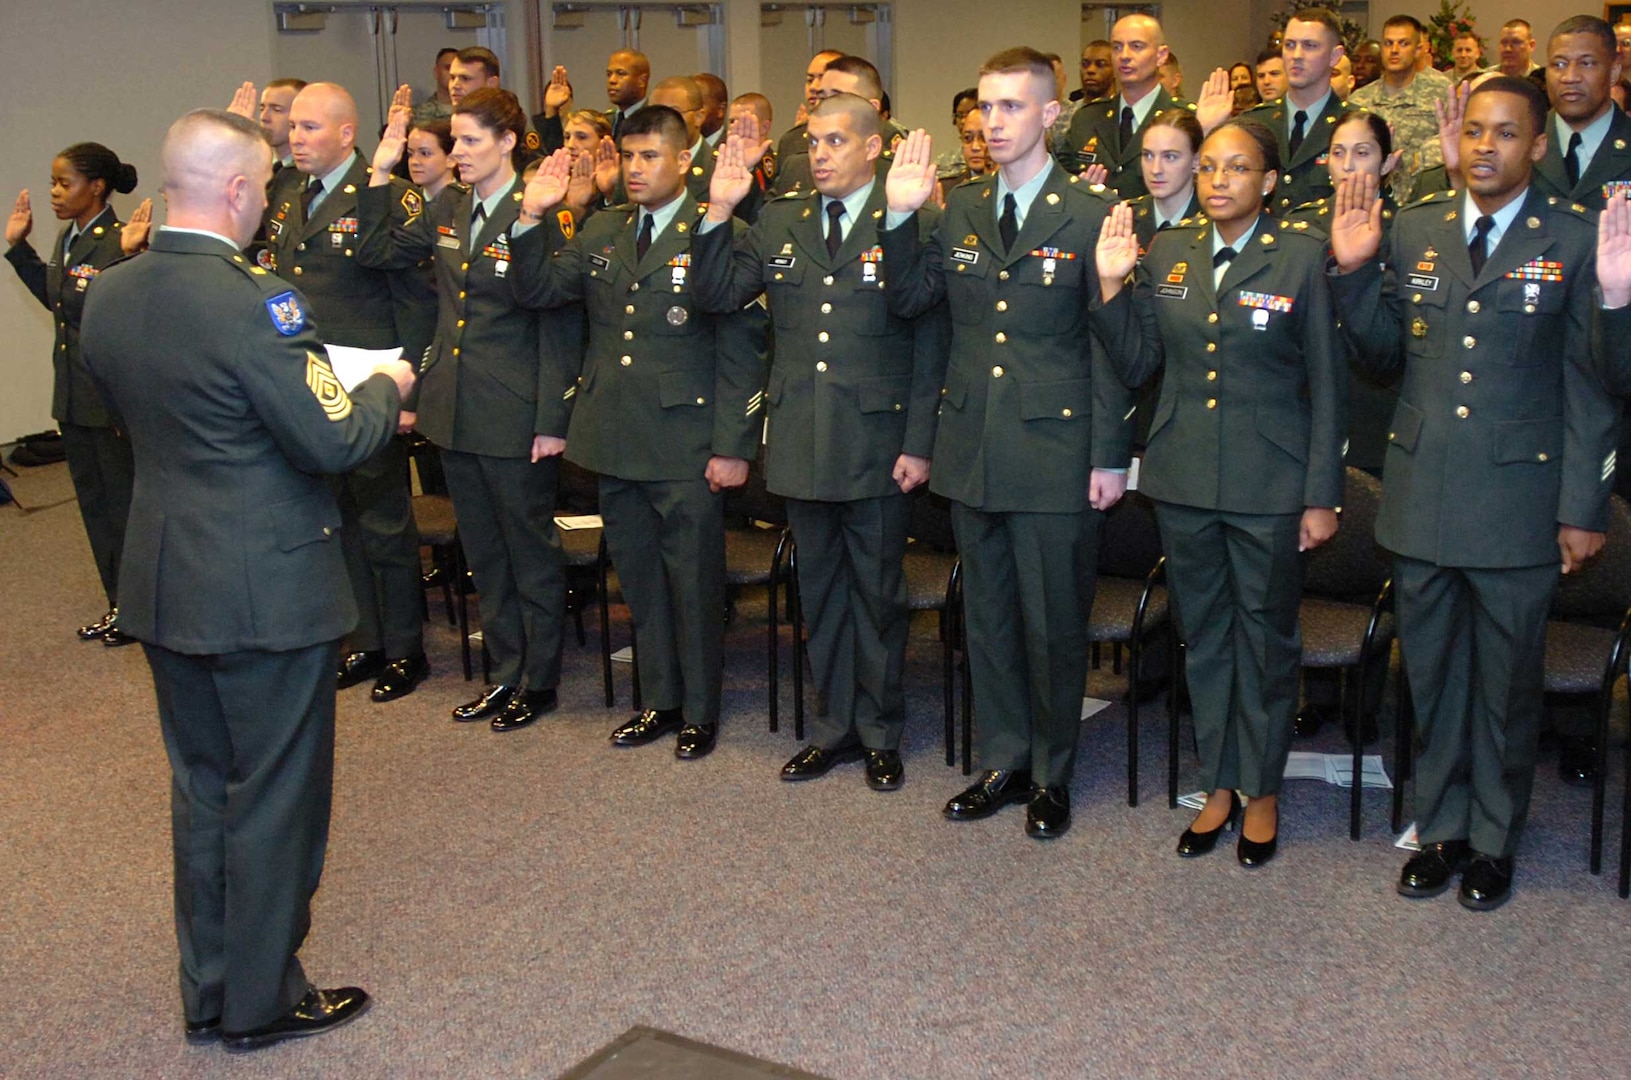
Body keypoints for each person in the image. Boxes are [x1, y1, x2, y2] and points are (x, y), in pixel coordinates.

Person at [78, 106, 415, 1050]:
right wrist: (388, 383)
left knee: (204, 790)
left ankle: (213, 990)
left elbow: (151, 416)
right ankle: (262, 1004)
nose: (268, 203)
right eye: (263, 187)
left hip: (164, 573)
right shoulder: (256, 301)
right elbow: (335, 437)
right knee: (274, 798)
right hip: (266, 584)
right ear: (235, 191)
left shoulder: (109, 291)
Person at [1327, 76, 1619, 911]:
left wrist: (1582, 506)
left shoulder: (1568, 234)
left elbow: (1589, 388)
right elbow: (1383, 355)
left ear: (1535, 146)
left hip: (1518, 502)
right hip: (1423, 495)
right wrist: (1352, 273)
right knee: (1430, 675)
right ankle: (1442, 827)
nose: (1486, 146)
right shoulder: (1413, 225)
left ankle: (1494, 839)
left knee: (1502, 682)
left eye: (1506, 134)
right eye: (1477, 132)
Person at [881, 47, 1135, 839]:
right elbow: (915, 305)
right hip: (973, 445)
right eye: (986, 108)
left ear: (1050, 116)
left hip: (1055, 452)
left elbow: (1114, 353)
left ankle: (1052, 774)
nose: (993, 123)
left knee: (1053, 622)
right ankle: (1003, 759)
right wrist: (895, 217)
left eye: (1012, 107)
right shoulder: (956, 208)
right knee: (986, 619)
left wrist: (1106, 454)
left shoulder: (1092, 215)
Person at [1094, 117, 1345, 867]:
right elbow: (1138, 362)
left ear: (1268, 182)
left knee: (1264, 642)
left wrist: (1320, 494)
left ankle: (1261, 789)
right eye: (1206, 168)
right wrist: (1110, 286)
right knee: (1203, 640)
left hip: (1269, 482)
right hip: (1183, 477)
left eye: (1234, 168)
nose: (1216, 180)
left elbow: (1328, 386)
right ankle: (1219, 785)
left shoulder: (1299, 257)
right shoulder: (1168, 250)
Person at [694, 93, 948, 789]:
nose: (822, 153)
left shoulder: (908, 221)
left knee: (876, 594)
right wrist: (718, 211)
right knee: (820, 593)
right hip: (803, 433)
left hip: (876, 438)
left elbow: (929, 340)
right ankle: (833, 727)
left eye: (837, 141)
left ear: (874, 147)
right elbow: (715, 295)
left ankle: (880, 731)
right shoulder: (779, 217)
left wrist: (919, 442)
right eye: (813, 142)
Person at [509, 106, 767, 761]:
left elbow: (740, 349)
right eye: (627, 157)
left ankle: (700, 711)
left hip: (685, 439)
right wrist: (530, 220)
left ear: (684, 161)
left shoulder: (718, 231)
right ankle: (659, 699)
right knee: (641, 582)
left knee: (691, 582)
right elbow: (537, 290)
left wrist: (733, 446)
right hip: (615, 434)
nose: (635, 169)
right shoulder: (602, 227)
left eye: (650, 156)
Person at [358, 88, 577, 732]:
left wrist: (550, 420)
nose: (458, 154)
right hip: (455, 406)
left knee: (528, 552)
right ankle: (505, 673)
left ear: (508, 141)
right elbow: (376, 253)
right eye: (453, 142)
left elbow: (558, 327)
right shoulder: (448, 204)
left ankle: (539, 681)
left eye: (471, 141)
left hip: (515, 409)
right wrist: (380, 173)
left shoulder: (543, 211)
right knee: (484, 552)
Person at [268, 82, 428, 702]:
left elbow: (414, 301)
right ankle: (364, 638)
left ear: (345, 133)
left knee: (383, 519)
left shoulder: (386, 194)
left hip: (372, 380)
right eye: (295, 127)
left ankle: (405, 648)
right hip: (310, 379)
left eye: (310, 128)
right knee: (334, 516)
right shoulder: (289, 195)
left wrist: (409, 387)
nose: (297, 137)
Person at [1529, 16, 1631, 785]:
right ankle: (1525, 711)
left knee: (1598, 554)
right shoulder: (1525, 150)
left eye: (1585, 63)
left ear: (1612, 67)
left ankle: (1587, 717)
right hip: (1531, 386)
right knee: (1527, 555)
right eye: (1558, 63)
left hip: (1614, 382)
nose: (1569, 76)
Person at [1282, 109, 1402, 740]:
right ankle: (1321, 692)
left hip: (1377, 406)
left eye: (1363, 153)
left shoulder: (1409, 232)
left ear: (1388, 162)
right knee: (1317, 560)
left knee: (1372, 563)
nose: (1350, 165)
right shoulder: (1300, 232)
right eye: (1338, 153)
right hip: (1313, 413)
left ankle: (1367, 700)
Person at [5, 144, 137, 645]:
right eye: (53, 183)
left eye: (65, 183)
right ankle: (119, 604)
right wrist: (21, 251)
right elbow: (61, 303)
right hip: (75, 398)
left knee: (124, 508)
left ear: (97, 187)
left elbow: (124, 326)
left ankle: (139, 608)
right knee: (95, 506)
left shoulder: (118, 242)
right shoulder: (69, 237)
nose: (55, 193)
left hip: (110, 401)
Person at [1059, 13, 1196, 200]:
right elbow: (1059, 184)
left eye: (1136, 46)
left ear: (1161, 55)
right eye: (1117, 47)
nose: (1124, 56)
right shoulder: (1087, 119)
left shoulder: (1185, 119)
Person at [1245, 7, 1349, 215]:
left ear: (1335, 56)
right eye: (1290, 45)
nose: (1296, 55)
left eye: (1310, 46)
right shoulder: (1254, 124)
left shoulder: (1352, 126)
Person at [1348, 16, 1451, 203]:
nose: (1394, 51)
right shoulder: (1359, 100)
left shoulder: (1441, 93)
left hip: (1425, 202)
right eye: (1388, 43)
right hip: (1371, 203)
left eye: (1403, 43)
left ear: (1418, 49)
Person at [777, 49, 846, 162]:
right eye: (810, 80)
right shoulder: (792, 141)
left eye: (822, 78)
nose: (813, 87)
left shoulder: (867, 136)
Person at [260, 78, 306, 172]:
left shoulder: (310, 172)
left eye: (276, 110)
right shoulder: (261, 169)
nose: (264, 117)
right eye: (262, 109)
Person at [406, 117, 459, 200]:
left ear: (451, 160)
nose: (414, 162)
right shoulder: (406, 204)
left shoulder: (469, 202)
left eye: (425, 153)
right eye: (410, 154)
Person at [606, 48, 651, 139]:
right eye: (609, 74)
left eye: (621, 73)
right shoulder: (606, 122)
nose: (612, 80)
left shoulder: (653, 121)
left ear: (642, 81)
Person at [412, 47, 458, 124]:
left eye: (456, 69)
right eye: (448, 68)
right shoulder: (417, 114)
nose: (452, 73)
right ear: (436, 72)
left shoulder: (472, 111)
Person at [694, 71, 729, 148]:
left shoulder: (734, 149)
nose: (691, 112)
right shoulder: (675, 149)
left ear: (721, 110)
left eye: (698, 105)